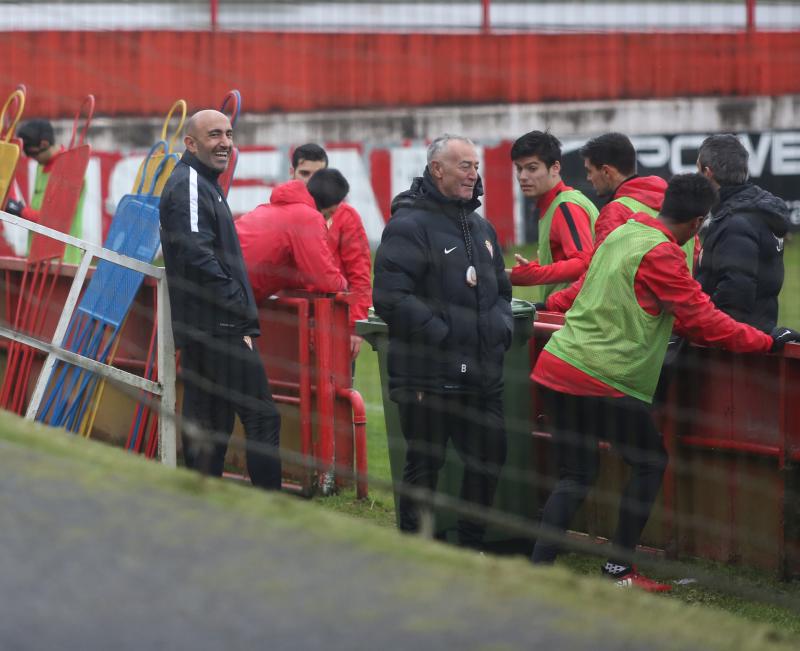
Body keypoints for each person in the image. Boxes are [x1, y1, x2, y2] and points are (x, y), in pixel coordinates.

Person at [529, 173, 800, 591]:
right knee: (650, 462)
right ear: (697, 224)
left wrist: (546, 303)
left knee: (576, 474)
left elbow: (585, 287)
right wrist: (765, 340)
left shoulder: (624, 234)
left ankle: (537, 569)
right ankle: (619, 570)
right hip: (604, 376)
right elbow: (703, 323)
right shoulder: (663, 255)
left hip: (558, 364)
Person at [373, 134, 512, 550]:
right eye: (464, 166)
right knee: (425, 464)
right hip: (429, 377)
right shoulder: (409, 225)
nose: (474, 174)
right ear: (437, 170)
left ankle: (470, 547)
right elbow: (390, 297)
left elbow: (501, 290)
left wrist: (501, 326)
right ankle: (417, 549)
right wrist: (445, 337)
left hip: (482, 375)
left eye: (475, 166)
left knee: (490, 459)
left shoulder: (481, 226)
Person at [159, 109, 281, 489]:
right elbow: (197, 253)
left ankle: (201, 508)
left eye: (228, 134)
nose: (225, 142)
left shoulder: (200, 183)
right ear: (190, 144)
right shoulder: (190, 183)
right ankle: (272, 513)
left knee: (211, 421)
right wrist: (238, 314)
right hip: (219, 327)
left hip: (205, 327)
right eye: (214, 135)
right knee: (261, 417)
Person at [545, 132, 695, 313]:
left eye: (589, 171)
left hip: (634, 330)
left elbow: (597, 278)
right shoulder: (676, 203)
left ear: (606, 171)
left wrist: (552, 304)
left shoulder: (616, 213)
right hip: (678, 322)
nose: (588, 178)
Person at [696, 134, 791, 333]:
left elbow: (734, 297)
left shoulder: (736, 221)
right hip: (755, 336)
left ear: (707, 173)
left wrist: (700, 327)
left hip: (734, 348)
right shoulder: (751, 212)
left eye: (698, 170)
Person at [290, 143, 372, 360]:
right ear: (292, 174)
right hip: (290, 320)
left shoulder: (347, 217)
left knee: (335, 392)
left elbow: (360, 275)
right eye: (304, 173)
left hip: (333, 323)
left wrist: (355, 326)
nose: (311, 181)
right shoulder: (284, 212)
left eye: (318, 174)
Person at [506, 130, 597, 301]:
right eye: (519, 168)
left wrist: (534, 274)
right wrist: (521, 273)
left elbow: (583, 262)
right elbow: (559, 260)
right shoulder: (557, 203)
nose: (523, 177)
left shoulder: (565, 206)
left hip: (578, 318)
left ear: (555, 168)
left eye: (532, 168)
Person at [235, 170, 347, 303]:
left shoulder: (266, 209)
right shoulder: (309, 217)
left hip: (218, 280)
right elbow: (324, 281)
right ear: (327, 206)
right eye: (330, 214)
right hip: (230, 293)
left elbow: (290, 276)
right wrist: (343, 284)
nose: (330, 221)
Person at [4, 119, 86, 263]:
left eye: (31, 152)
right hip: (38, 257)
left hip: (64, 260)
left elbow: (57, 220)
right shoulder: (41, 166)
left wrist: (21, 211)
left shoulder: (71, 170)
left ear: (44, 144)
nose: (30, 158)